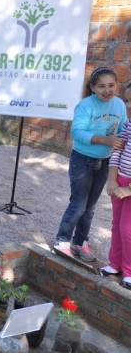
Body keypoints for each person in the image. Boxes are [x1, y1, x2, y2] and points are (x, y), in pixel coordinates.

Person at [53, 67, 126, 261]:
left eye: (111, 85)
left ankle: (80, 242)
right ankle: (62, 241)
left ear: (117, 86)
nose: (106, 90)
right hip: (82, 160)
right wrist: (105, 140)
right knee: (78, 204)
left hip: (106, 162)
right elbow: (77, 133)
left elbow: (122, 130)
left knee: (91, 206)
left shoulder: (119, 105)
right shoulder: (86, 106)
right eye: (101, 86)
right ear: (92, 87)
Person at [102, 82, 131, 290]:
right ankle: (115, 264)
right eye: (128, 101)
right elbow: (118, 150)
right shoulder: (129, 122)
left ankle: (129, 271)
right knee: (116, 225)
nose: (129, 106)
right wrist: (112, 179)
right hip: (120, 179)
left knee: (128, 228)